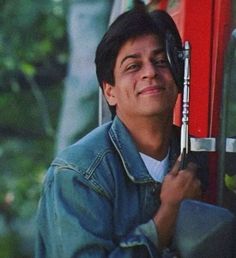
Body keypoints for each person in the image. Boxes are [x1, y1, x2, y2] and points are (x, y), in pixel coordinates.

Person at [35, 6, 208, 258]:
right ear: (110, 92)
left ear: (178, 74)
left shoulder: (201, 158)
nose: (150, 72)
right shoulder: (77, 173)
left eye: (161, 61)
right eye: (133, 66)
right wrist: (170, 210)